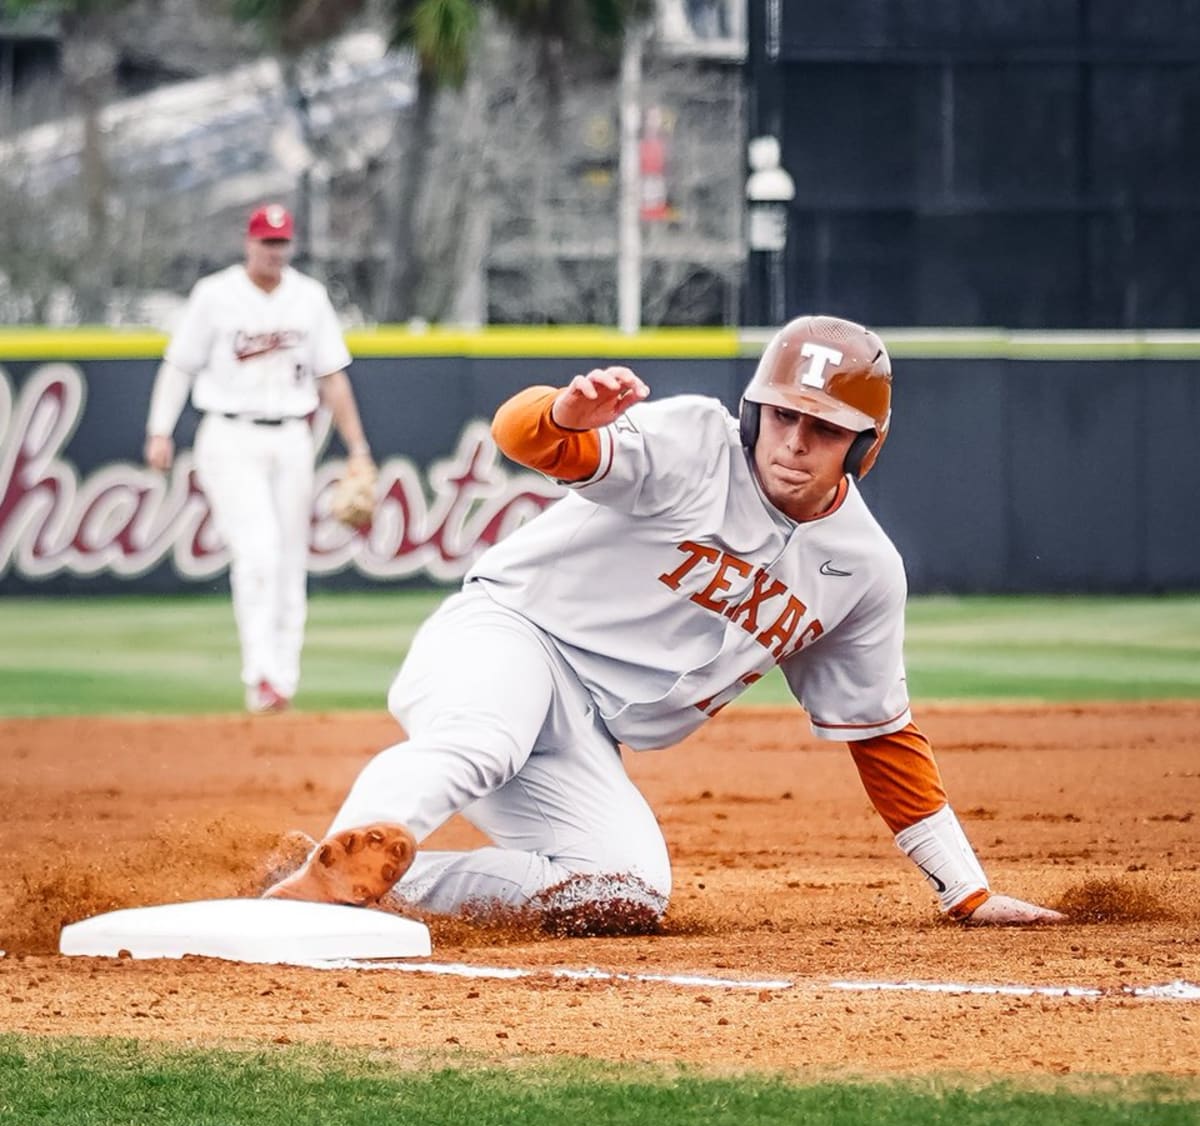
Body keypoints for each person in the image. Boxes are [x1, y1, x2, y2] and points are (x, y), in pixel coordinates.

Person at [266, 314, 1066, 927]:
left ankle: (336, 880)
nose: (793, 442)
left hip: (585, 730)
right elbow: (529, 439)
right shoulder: (691, 443)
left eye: (823, 428)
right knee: (486, 737)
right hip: (506, 633)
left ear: (865, 447)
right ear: (756, 410)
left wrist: (965, 890)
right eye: (782, 415)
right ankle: (342, 867)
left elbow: (881, 735)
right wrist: (564, 411)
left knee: (623, 892)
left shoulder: (861, 569)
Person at [144, 203, 374, 714]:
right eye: (266, 242)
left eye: (282, 243)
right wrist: (160, 429)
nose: (275, 251)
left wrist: (357, 448)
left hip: (293, 435)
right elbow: (178, 366)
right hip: (229, 434)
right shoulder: (215, 295)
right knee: (259, 550)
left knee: (292, 558)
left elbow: (332, 378)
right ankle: (260, 674)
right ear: (248, 244)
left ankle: (282, 681)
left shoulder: (309, 298)